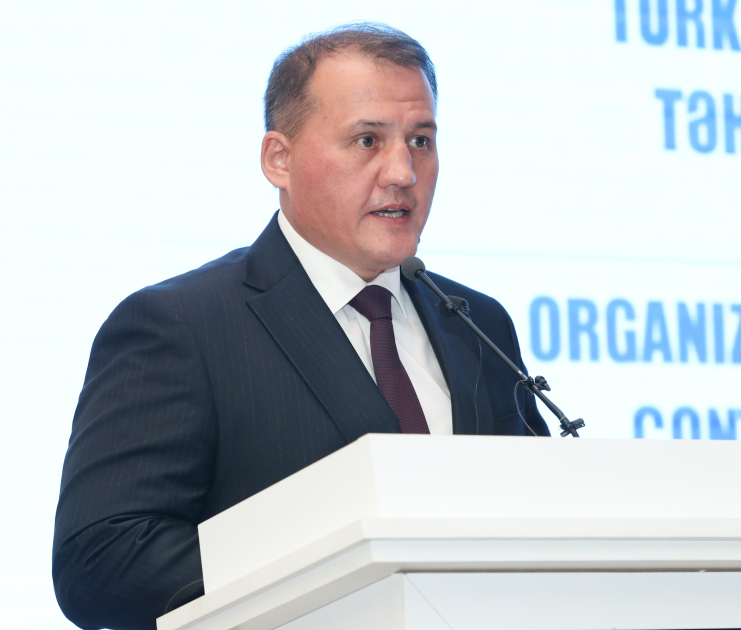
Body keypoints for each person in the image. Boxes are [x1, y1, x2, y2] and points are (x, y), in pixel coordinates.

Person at [53, 23, 549, 630]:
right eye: (368, 140)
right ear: (279, 159)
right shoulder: (181, 326)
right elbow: (99, 563)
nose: (403, 171)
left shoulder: (477, 323)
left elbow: (538, 517)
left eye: (421, 140)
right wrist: (335, 560)